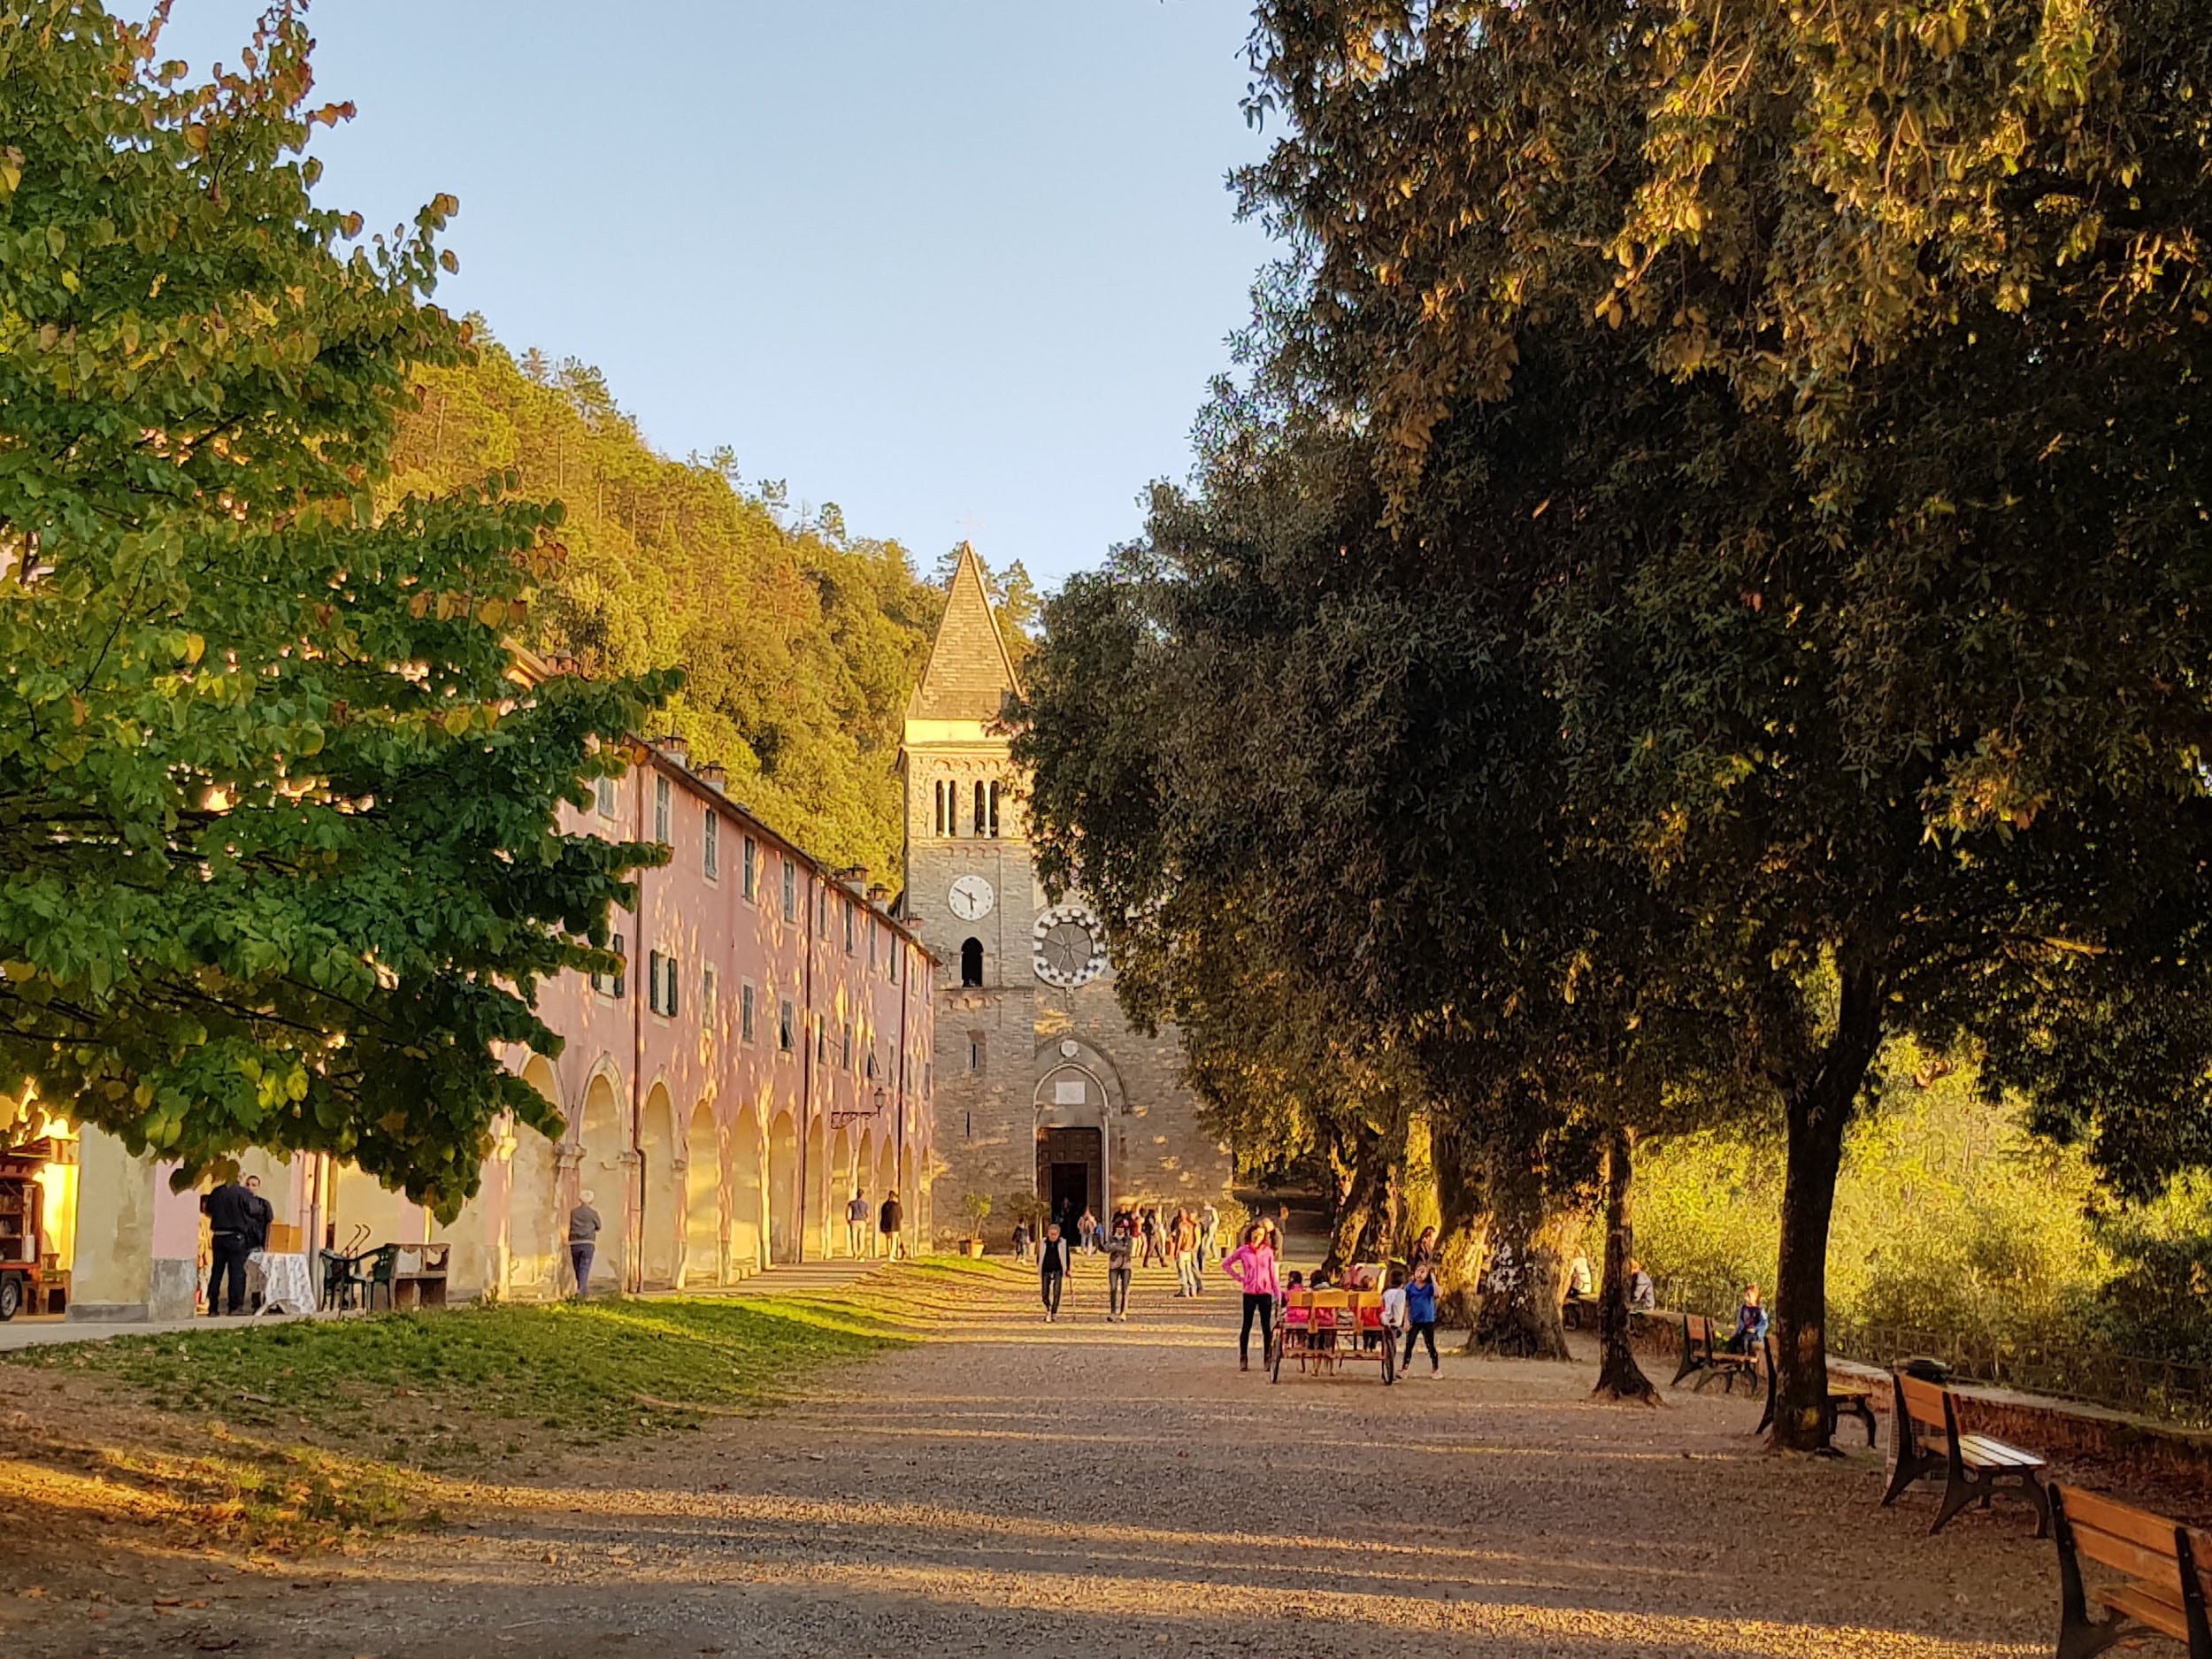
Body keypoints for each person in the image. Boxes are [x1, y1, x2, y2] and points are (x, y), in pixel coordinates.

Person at [1222, 1224, 1282, 1371]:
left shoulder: (1268, 1252)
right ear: (1251, 1234)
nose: (1258, 1237)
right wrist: (1240, 1278)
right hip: (1249, 1293)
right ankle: (1243, 1357)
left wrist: (1278, 1294)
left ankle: (1267, 1358)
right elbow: (1226, 1264)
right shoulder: (1243, 1251)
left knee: (1266, 1327)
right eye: (1256, 1234)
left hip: (1265, 1293)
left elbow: (1272, 1274)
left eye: (1261, 1235)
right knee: (1246, 1326)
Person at [200, 1173, 257, 1316]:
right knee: (236, 1273)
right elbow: (254, 1210)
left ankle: (213, 1307)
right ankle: (234, 1307)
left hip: (218, 1236)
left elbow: (208, 1210)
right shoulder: (243, 1193)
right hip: (236, 1237)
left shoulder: (217, 1191)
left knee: (216, 1272)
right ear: (241, 1176)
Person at [1402, 1259, 1442, 1378]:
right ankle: (1404, 1368)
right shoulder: (1410, 1287)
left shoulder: (1430, 1287)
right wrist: (1406, 1320)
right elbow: (1406, 1304)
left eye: (1423, 1272)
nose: (1419, 1274)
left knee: (1430, 1344)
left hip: (1427, 1320)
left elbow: (1438, 1294)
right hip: (1414, 1320)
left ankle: (1436, 1368)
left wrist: (1433, 1279)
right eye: (1417, 1271)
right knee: (1409, 1344)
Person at [567, 1188, 601, 1300]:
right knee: (585, 1267)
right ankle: (582, 1291)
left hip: (574, 1243)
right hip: (588, 1243)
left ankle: (582, 1290)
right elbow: (599, 1226)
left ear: (579, 1199)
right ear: (591, 1201)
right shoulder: (593, 1213)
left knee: (577, 1267)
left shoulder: (573, 1212)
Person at [1038, 1221, 1074, 1322]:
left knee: (1057, 1291)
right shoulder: (1043, 1243)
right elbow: (1039, 1256)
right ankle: (1048, 1307)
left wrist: (1068, 1269)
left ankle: (1054, 1312)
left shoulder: (1063, 1243)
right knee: (1044, 1293)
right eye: (1051, 1234)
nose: (1053, 1236)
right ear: (1048, 1233)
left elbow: (1066, 1257)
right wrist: (1039, 1267)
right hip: (1046, 1269)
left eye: (1055, 1234)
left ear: (1058, 1234)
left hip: (1058, 1269)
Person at [1104, 1219, 1134, 1321]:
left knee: (1125, 1289)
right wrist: (1118, 1248)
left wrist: (1115, 1248)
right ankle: (1113, 1311)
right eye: (1118, 1227)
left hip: (1126, 1265)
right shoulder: (1111, 1238)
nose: (1120, 1229)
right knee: (1113, 1289)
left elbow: (1127, 1250)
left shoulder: (1128, 1239)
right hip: (1113, 1265)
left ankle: (1123, 1312)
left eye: (1122, 1227)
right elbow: (1106, 1248)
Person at [1729, 1283, 1768, 1353]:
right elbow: (1741, 1321)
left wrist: (1755, 1330)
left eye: (1749, 1295)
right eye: (1746, 1295)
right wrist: (1738, 1330)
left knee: (1745, 1340)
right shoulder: (1743, 1308)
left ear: (1755, 1297)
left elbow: (1764, 1323)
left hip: (1754, 1334)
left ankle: (1746, 1360)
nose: (1746, 1298)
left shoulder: (1760, 1310)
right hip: (1744, 1332)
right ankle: (1734, 1360)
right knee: (1733, 1341)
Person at [879, 1188, 904, 1261]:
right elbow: (901, 1216)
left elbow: (882, 1215)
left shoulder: (885, 1205)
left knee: (888, 1240)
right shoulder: (897, 1206)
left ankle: (889, 1254)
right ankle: (891, 1255)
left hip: (886, 1226)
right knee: (894, 1241)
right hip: (895, 1226)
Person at [846, 1188, 870, 1258]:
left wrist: (848, 1220)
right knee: (861, 1238)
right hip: (862, 1221)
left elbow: (848, 1212)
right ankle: (860, 1251)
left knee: (854, 1237)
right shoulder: (865, 1204)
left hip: (854, 1221)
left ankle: (855, 1252)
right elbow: (867, 1213)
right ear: (862, 1195)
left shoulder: (851, 1203)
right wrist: (867, 1220)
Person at [1200, 1201, 1220, 1268]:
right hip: (1211, 1225)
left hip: (1212, 1225)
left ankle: (1206, 1251)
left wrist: (1211, 1226)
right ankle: (1216, 1256)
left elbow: (1214, 1220)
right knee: (1212, 1241)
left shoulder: (1211, 1210)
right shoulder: (1209, 1210)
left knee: (1209, 1238)